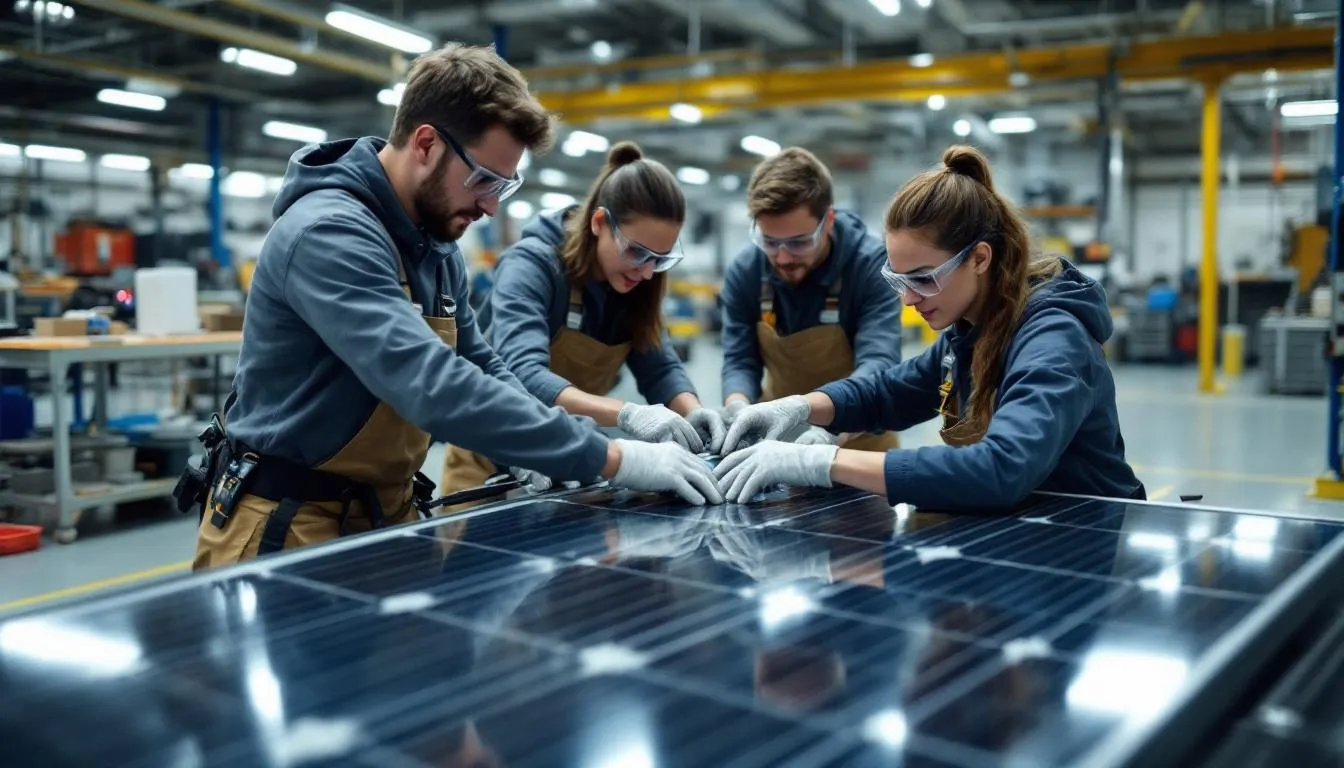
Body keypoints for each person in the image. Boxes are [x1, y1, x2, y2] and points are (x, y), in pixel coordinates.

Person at [185, 43, 720, 571]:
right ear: (425, 144)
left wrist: (544, 441)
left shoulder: (435, 246)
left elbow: (481, 363)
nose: (490, 206)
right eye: (483, 180)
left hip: (386, 515)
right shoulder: (330, 233)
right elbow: (430, 381)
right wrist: (613, 456)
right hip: (286, 526)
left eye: (503, 187)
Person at [713, 145, 1145, 509]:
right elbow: (887, 394)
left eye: (923, 279)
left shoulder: (1052, 338)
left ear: (979, 259)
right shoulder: (968, 333)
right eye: (899, 281)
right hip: (1027, 530)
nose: (908, 299)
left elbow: (1001, 468)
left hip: (1088, 533)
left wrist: (820, 463)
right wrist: (798, 407)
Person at [439, 141, 726, 499]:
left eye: (659, 259)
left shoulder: (636, 283)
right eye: (637, 252)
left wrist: (693, 412)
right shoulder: (531, 266)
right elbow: (524, 373)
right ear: (599, 222)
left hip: (568, 455)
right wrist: (628, 414)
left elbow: (659, 367)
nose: (647, 271)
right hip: (491, 461)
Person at [719, 146, 903, 450]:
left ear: (828, 221)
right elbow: (740, 360)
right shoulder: (746, 270)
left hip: (857, 438)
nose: (782, 257)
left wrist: (833, 428)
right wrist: (737, 407)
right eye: (769, 241)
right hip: (777, 441)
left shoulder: (869, 267)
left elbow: (879, 362)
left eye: (798, 243)